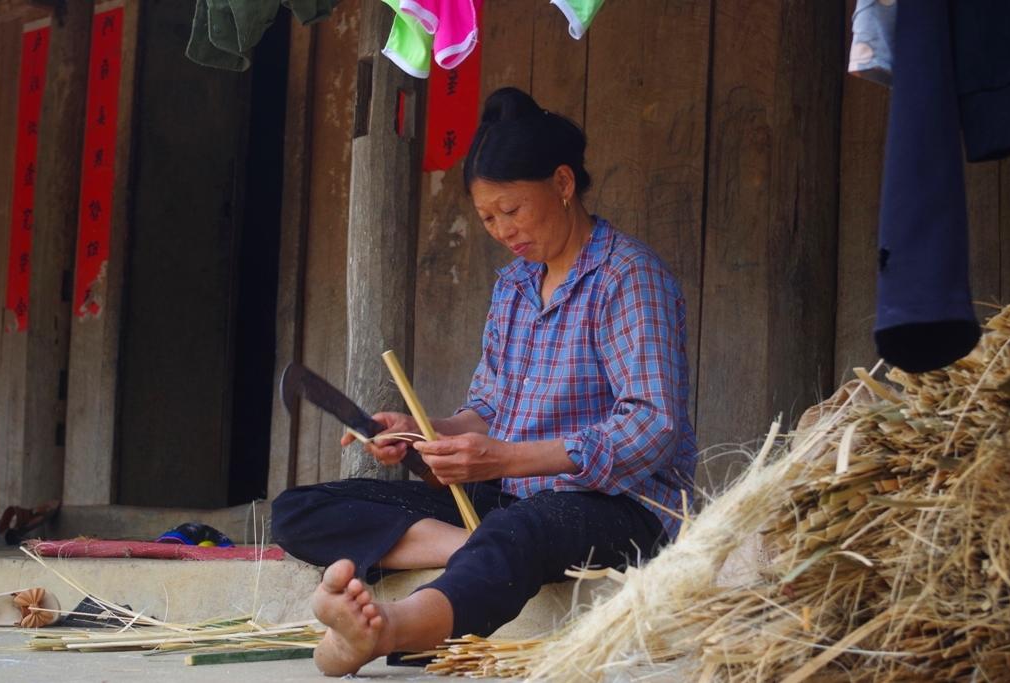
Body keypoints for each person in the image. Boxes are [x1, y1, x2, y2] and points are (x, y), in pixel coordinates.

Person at [271, 86, 698, 676]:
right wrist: (426, 432)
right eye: (488, 217)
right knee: (300, 509)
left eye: (513, 209)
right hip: (511, 500)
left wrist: (506, 460)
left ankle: (389, 628)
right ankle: (484, 548)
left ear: (563, 184)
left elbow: (651, 427)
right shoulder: (514, 286)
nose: (502, 230)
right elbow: (489, 410)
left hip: (620, 508)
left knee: (529, 525)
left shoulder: (627, 276)